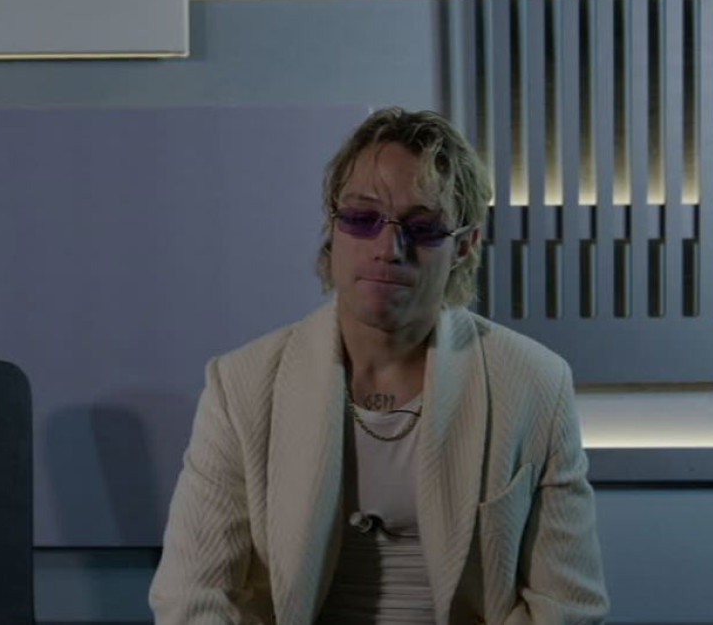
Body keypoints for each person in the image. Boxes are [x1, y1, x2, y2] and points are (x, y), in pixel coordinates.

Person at [150, 107, 608, 624]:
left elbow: (568, 607)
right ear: (333, 228)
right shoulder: (242, 385)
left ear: (464, 245)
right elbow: (193, 596)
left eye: (423, 227)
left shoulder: (535, 383)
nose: (390, 248)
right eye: (362, 219)